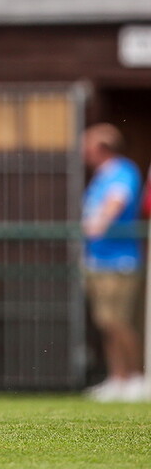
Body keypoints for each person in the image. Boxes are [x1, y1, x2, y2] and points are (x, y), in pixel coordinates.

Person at [81, 123, 145, 402]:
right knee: (105, 323)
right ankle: (117, 378)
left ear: (102, 148)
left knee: (119, 321)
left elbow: (115, 203)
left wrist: (99, 223)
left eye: (88, 146)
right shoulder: (100, 176)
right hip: (97, 259)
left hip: (120, 261)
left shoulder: (122, 171)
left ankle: (136, 377)